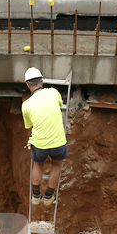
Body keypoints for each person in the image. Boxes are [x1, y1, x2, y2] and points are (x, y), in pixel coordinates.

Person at [22, 67, 68, 206]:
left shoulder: (26, 105)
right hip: (58, 143)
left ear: (27, 84)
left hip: (40, 144)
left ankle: (36, 196)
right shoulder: (53, 92)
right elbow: (60, 103)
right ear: (42, 81)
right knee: (57, 165)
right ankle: (48, 196)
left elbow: (28, 126)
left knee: (38, 164)